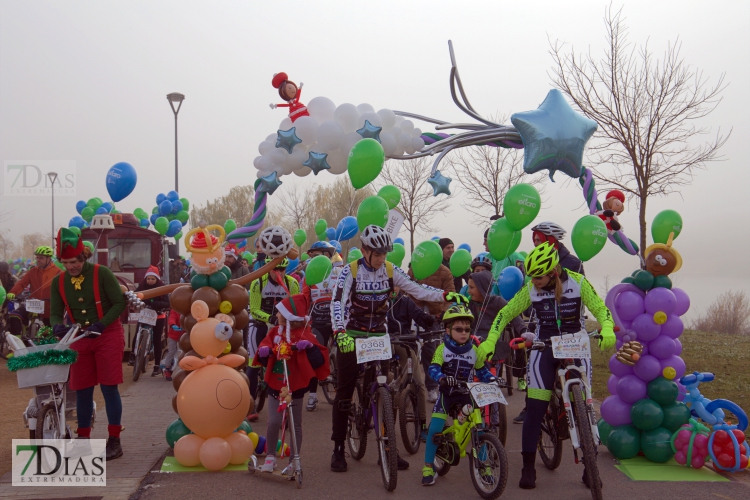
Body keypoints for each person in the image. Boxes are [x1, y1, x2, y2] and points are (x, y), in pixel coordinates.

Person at [476, 242, 615, 490]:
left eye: (538, 276)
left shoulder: (577, 282)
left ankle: (589, 465)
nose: (534, 281)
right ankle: (528, 466)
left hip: (575, 343)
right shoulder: (531, 289)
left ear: (553, 272)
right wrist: (489, 341)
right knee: (536, 407)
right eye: (531, 276)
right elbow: (504, 314)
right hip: (545, 344)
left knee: (584, 402)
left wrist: (606, 327)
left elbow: (600, 308)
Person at [329, 224, 467, 473]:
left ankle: (388, 448)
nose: (382, 259)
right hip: (352, 334)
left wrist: (446, 296)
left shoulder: (390, 270)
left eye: (385, 254)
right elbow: (337, 303)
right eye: (377, 254)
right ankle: (338, 447)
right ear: (364, 250)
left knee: (386, 388)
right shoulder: (349, 272)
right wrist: (339, 332)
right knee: (345, 391)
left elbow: (419, 289)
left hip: (379, 335)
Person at [50, 228, 127, 460]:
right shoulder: (58, 281)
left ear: (83, 257)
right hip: (79, 337)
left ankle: (115, 440)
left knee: (108, 387)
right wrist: (57, 326)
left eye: (73, 261)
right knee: (81, 389)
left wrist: (101, 325)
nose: (70, 267)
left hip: (107, 334)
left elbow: (119, 303)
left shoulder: (102, 273)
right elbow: (55, 312)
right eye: (65, 262)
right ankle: (83, 439)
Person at [514, 221, 585, 424]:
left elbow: (581, 290)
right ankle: (531, 406)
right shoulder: (537, 259)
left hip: (568, 322)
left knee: (576, 369)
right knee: (535, 361)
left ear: (550, 240)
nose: (535, 244)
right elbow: (532, 289)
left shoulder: (572, 262)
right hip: (543, 318)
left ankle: (577, 408)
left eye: (538, 240)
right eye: (534, 240)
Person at [421, 304, 497, 486]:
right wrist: (441, 378)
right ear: (447, 330)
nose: (464, 333)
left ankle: (485, 466)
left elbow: (482, 370)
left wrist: (493, 379)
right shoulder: (442, 349)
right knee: (434, 429)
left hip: (467, 395)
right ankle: (428, 466)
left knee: (480, 427)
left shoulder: (474, 350)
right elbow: (432, 368)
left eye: (467, 329)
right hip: (447, 395)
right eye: (458, 329)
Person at [253, 294, 328, 474]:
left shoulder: (305, 334)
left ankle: (295, 459)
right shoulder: (275, 333)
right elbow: (263, 355)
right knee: (273, 421)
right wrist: (264, 352)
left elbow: (318, 362)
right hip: (275, 384)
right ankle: (270, 456)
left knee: (295, 423)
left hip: (296, 384)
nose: (276, 314)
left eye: (280, 312)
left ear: (288, 316)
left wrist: (310, 348)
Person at [246, 256, 300, 420]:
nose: (279, 273)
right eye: (275, 269)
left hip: (282, 326)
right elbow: (254, 309)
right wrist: (270, 318)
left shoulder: (292, 283)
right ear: (268, 268)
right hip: (260, 325)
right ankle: (250, 404)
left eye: (282, 270)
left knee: (286, 363)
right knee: (252, 365)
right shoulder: (258, 283)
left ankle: (287, 403)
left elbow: (296, 307)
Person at [387, 286, 435, 440]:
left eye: (395, 284)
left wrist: (428, 319)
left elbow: (418, 315)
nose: (391, 288)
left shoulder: (406, 301)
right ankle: (381, 421)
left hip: (404, 342)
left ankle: (422, 425)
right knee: (378, 381)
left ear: (400, 285)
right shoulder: (377, 301)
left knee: (418, 383)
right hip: (382, 345)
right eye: (388, 284)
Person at [407, 254, 455, 404]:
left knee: (430, 351)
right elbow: (406, 287)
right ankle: (408, 384)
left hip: (434, 316)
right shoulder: (414, 268)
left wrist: (442, 313)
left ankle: (432, 387)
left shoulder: (445, 272)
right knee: (407, 347)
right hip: (414, 313)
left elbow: (450, 295)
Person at [300, 241, 340, 411]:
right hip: (318, 322)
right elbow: (304, 300)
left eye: (317, 255)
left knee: (344, 354)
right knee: (315, 356)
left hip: (337, 322)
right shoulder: (309, 276)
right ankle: (313, 396)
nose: (314, 259)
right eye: (312, 256)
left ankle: (343, 391)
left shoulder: (338, 273)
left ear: (328, 256)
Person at [7, 246, 62, 328]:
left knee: (50, 330)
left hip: (49, 307)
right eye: (37, 257)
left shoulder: (58, 272)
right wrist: (12, 292)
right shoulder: (33, 271)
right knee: (14, 316)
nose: (38, 260)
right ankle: (18, 339)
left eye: (41, 258)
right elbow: (22, 283)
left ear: (49, 258)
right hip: (33, 304)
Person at [131, 266, 169, 375]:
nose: (150, 281)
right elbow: (134, 295)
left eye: (153, 279)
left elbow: (168, 303)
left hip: (159, 316)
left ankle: (157, 365)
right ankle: (132, 356)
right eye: (148, 279)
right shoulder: (141, 286)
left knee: (157, 340)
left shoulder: (162, 288)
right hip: (145, 315)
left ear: (157, 279)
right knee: (137, 333)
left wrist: (157, 305)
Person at [164, 308, 183, 381]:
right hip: (174, 335)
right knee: (172, 351)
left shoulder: (189, 311)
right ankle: (167, 369)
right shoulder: (175, 310)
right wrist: (173, 325)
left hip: (184, 335)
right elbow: (172, 318)